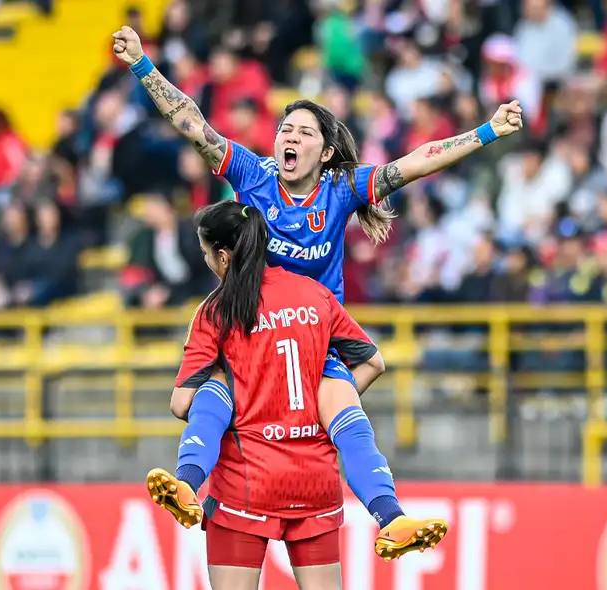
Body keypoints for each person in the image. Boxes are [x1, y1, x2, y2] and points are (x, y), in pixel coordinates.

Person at [112, 24, 522, 545]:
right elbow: (191, 123)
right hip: (254, 330)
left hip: (314, 338)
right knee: (215, 391)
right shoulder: (254, 174)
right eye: (286, 128)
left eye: (305, 132)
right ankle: (187, 486)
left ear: (326, 152)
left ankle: (391, 519)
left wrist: (487, 132)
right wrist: (142, 64)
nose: (290, 137)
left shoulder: (342, 188)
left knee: (348, 409)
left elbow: (417, 161)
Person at [149, 201, 447, 589]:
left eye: (207, 254)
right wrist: (318, 401)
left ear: (223, 256)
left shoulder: (217, 311)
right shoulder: (314, 294)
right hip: (314, 480)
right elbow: (373, 363)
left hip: (247, 480)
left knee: (216, 383)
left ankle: (188, 480)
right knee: (336, 387)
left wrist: (237, 390)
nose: (207, 262)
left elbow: (180, 404)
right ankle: (390, 515)